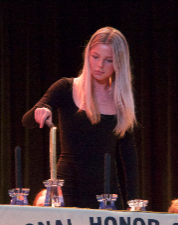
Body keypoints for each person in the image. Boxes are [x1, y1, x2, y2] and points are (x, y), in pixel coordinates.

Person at [22, 27, 138, 209]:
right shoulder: (66, 87)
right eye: (95, 57)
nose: (100, 65)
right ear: (87, 55)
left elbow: (128, 157)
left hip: (106, 192)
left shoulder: (121, 101)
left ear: (119, 64)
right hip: (68, 187)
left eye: (109, 60)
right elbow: (27, 121)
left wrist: (133, 203)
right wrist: (42, 109)